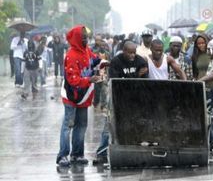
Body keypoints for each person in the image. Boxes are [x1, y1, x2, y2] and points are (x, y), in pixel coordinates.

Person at [93, 41, 148, 165]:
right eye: (130, 53)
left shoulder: (140, 61)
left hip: (135, 100)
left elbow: (144, 82)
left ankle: (134, 154)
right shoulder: (116, 62)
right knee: (108, 127)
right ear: (124, 51)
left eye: (134, 53)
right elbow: (116, 82)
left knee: (135, 127)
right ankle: (101, 153)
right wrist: (136, 75)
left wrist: (132, 79)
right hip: (117, 99)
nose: (133, 55)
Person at [56, 25, 104, 167]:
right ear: (77, 38)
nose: (86, 40)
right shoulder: (71, 55)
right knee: (68, 125)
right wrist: (89, 80)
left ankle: (77, 154)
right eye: (83, 38)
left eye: (87, 37)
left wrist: (103, 61)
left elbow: (94, 60)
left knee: (82, 125)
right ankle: (62, 155)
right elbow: (73, 80)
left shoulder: (86, 51)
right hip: (71, 95)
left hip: (83, 96)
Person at [191, 35, 213, 156]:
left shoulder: (212, 55)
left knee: (212, 118)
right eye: (199, 43)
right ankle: (206, 143)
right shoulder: (195, 56)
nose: (202, 45)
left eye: (203, 43)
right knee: (203, 117)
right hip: (201, 88)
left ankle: (210, 144)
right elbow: (195, 73)